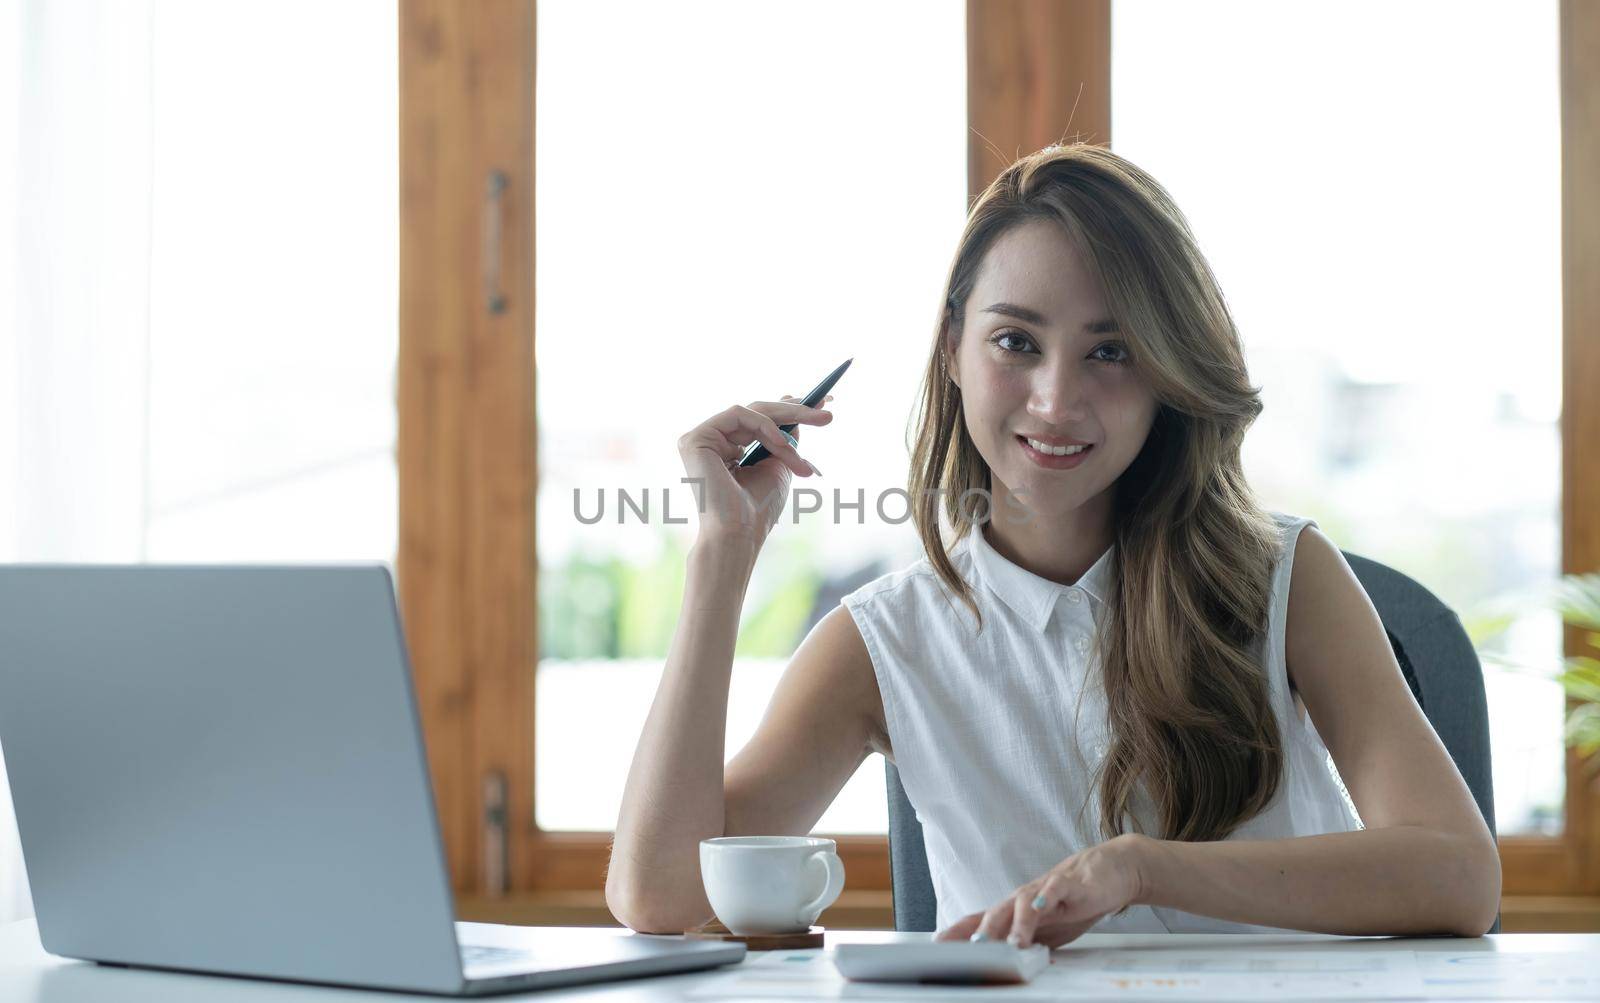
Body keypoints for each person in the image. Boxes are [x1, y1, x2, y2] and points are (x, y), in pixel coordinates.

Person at [604, 143, 1501, 946]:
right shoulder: (884, 640)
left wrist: (1141, 868)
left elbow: (1459, 875)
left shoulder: (1286, 576)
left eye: (1109, 353)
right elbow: (662, 896)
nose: (1055, 400)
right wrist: (721, 562)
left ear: (1167, 374)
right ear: (953, 346)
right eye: (1015, 342)